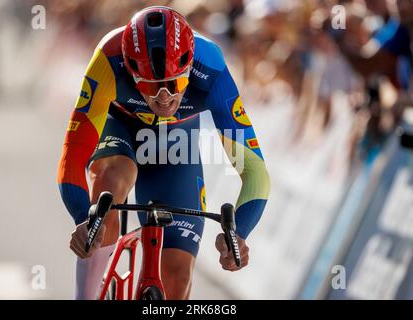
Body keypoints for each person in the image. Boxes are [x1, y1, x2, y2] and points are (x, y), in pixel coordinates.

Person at [57, 6, 270, 300]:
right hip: (121, 128)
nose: (164, 96)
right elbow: (73, 154)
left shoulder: (211, 68)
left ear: (189, 70)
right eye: (150, 86)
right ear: (130, 71)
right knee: (115, 177)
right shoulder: (108, 58)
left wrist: (239, 233)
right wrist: (84, 220)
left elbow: (254, 171)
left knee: (177, 276)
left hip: (176, 143)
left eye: (174, 84)